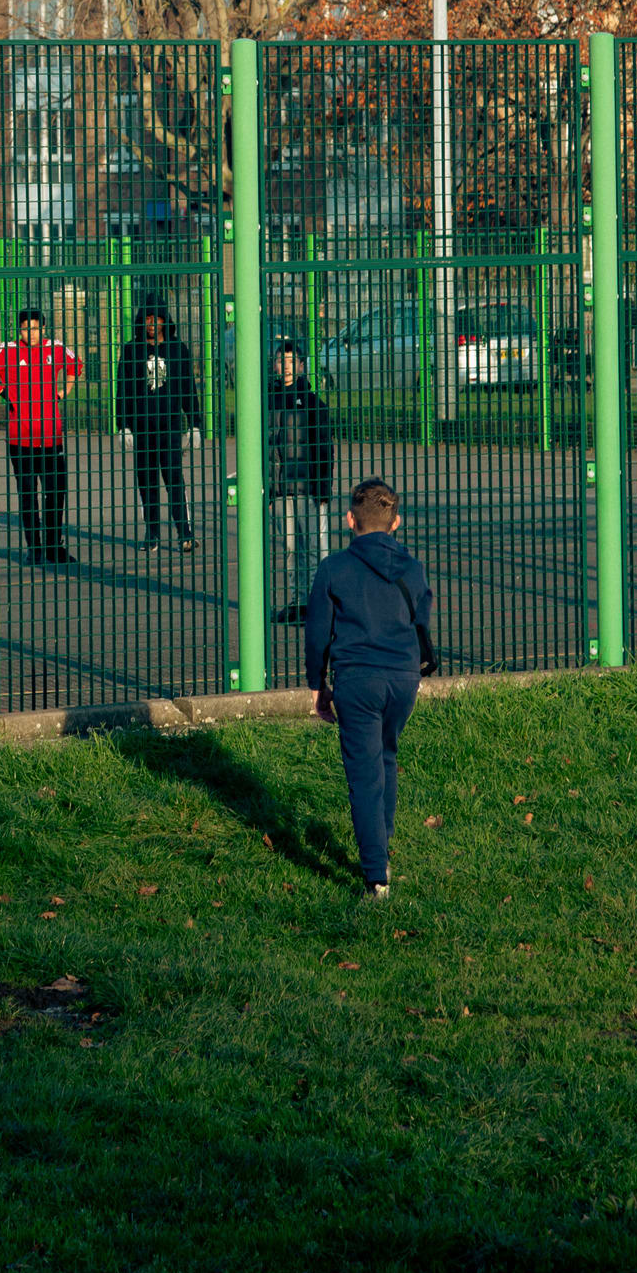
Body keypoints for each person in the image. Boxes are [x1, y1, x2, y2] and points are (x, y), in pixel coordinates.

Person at [303, 477, 437, 899]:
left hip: (357, 681)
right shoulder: (412, 568)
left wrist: (316, 685)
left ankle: (376, 875)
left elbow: (316, 635)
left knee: (364, 773)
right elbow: (421, 622)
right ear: (395, 523)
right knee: (387, 758)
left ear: (349, 521)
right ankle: (383, 840)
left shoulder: (332, 569)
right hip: (403, 680)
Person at [0, 306, 83, 565]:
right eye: (24, 328)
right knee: (28, 493)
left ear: (42, 328)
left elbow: (75, 365)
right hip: (20, 438)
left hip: (51, 436)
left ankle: (55, 547)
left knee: (56, 492)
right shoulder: (6, 351)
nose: (29, 333)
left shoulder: (54, 348)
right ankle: (35, 549)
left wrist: (64, 391)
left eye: (34, 328)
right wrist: (1, 390)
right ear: (18, 329)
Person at [115, 295, 202, 552]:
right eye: (148, 319)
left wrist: (194, 423)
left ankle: (185, 533)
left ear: (166, 320)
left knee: (174, 479)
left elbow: (188, 387)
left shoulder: (178, 349)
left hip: (170, 426)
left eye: (157, 318)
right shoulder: (132, 350)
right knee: (147, 481)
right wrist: (123, 424)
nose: (153, 324)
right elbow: (123, 389)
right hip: (142, 427)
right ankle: (152, 533)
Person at [267, 335, 334, 621]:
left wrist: (322, 489)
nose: (286, 365)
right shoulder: (266, 403)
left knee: (317, 548)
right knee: (292, 548)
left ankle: (322, 603)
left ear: (302, 365)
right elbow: (266, 450)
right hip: (282, 489)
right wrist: (270, 489)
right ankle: (298, 602)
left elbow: (324, 450)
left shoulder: (312, 403)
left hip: (308, 487)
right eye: (281, 360)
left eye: (292, 360)